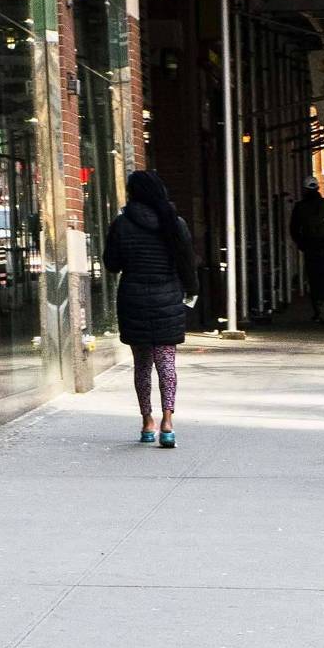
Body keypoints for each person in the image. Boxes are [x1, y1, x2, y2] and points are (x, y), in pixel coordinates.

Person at [106, 169, 193, 447]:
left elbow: (111, 264)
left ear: (133, 194)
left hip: (133, 299)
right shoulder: (174, 223)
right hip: (167, 298)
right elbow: (186, 263)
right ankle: (168, 422)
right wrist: (192, 291)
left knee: (142, 365)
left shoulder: (121, 224)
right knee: (166, 364)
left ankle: (147, 422)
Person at [288, 177, 324, 323]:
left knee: (313, 277)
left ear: (304, 189)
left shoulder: (300, 207)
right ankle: (323, 303)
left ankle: (317, 307)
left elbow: (294, 228)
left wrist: (301, 244)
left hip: (310, 247)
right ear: (318, 188)